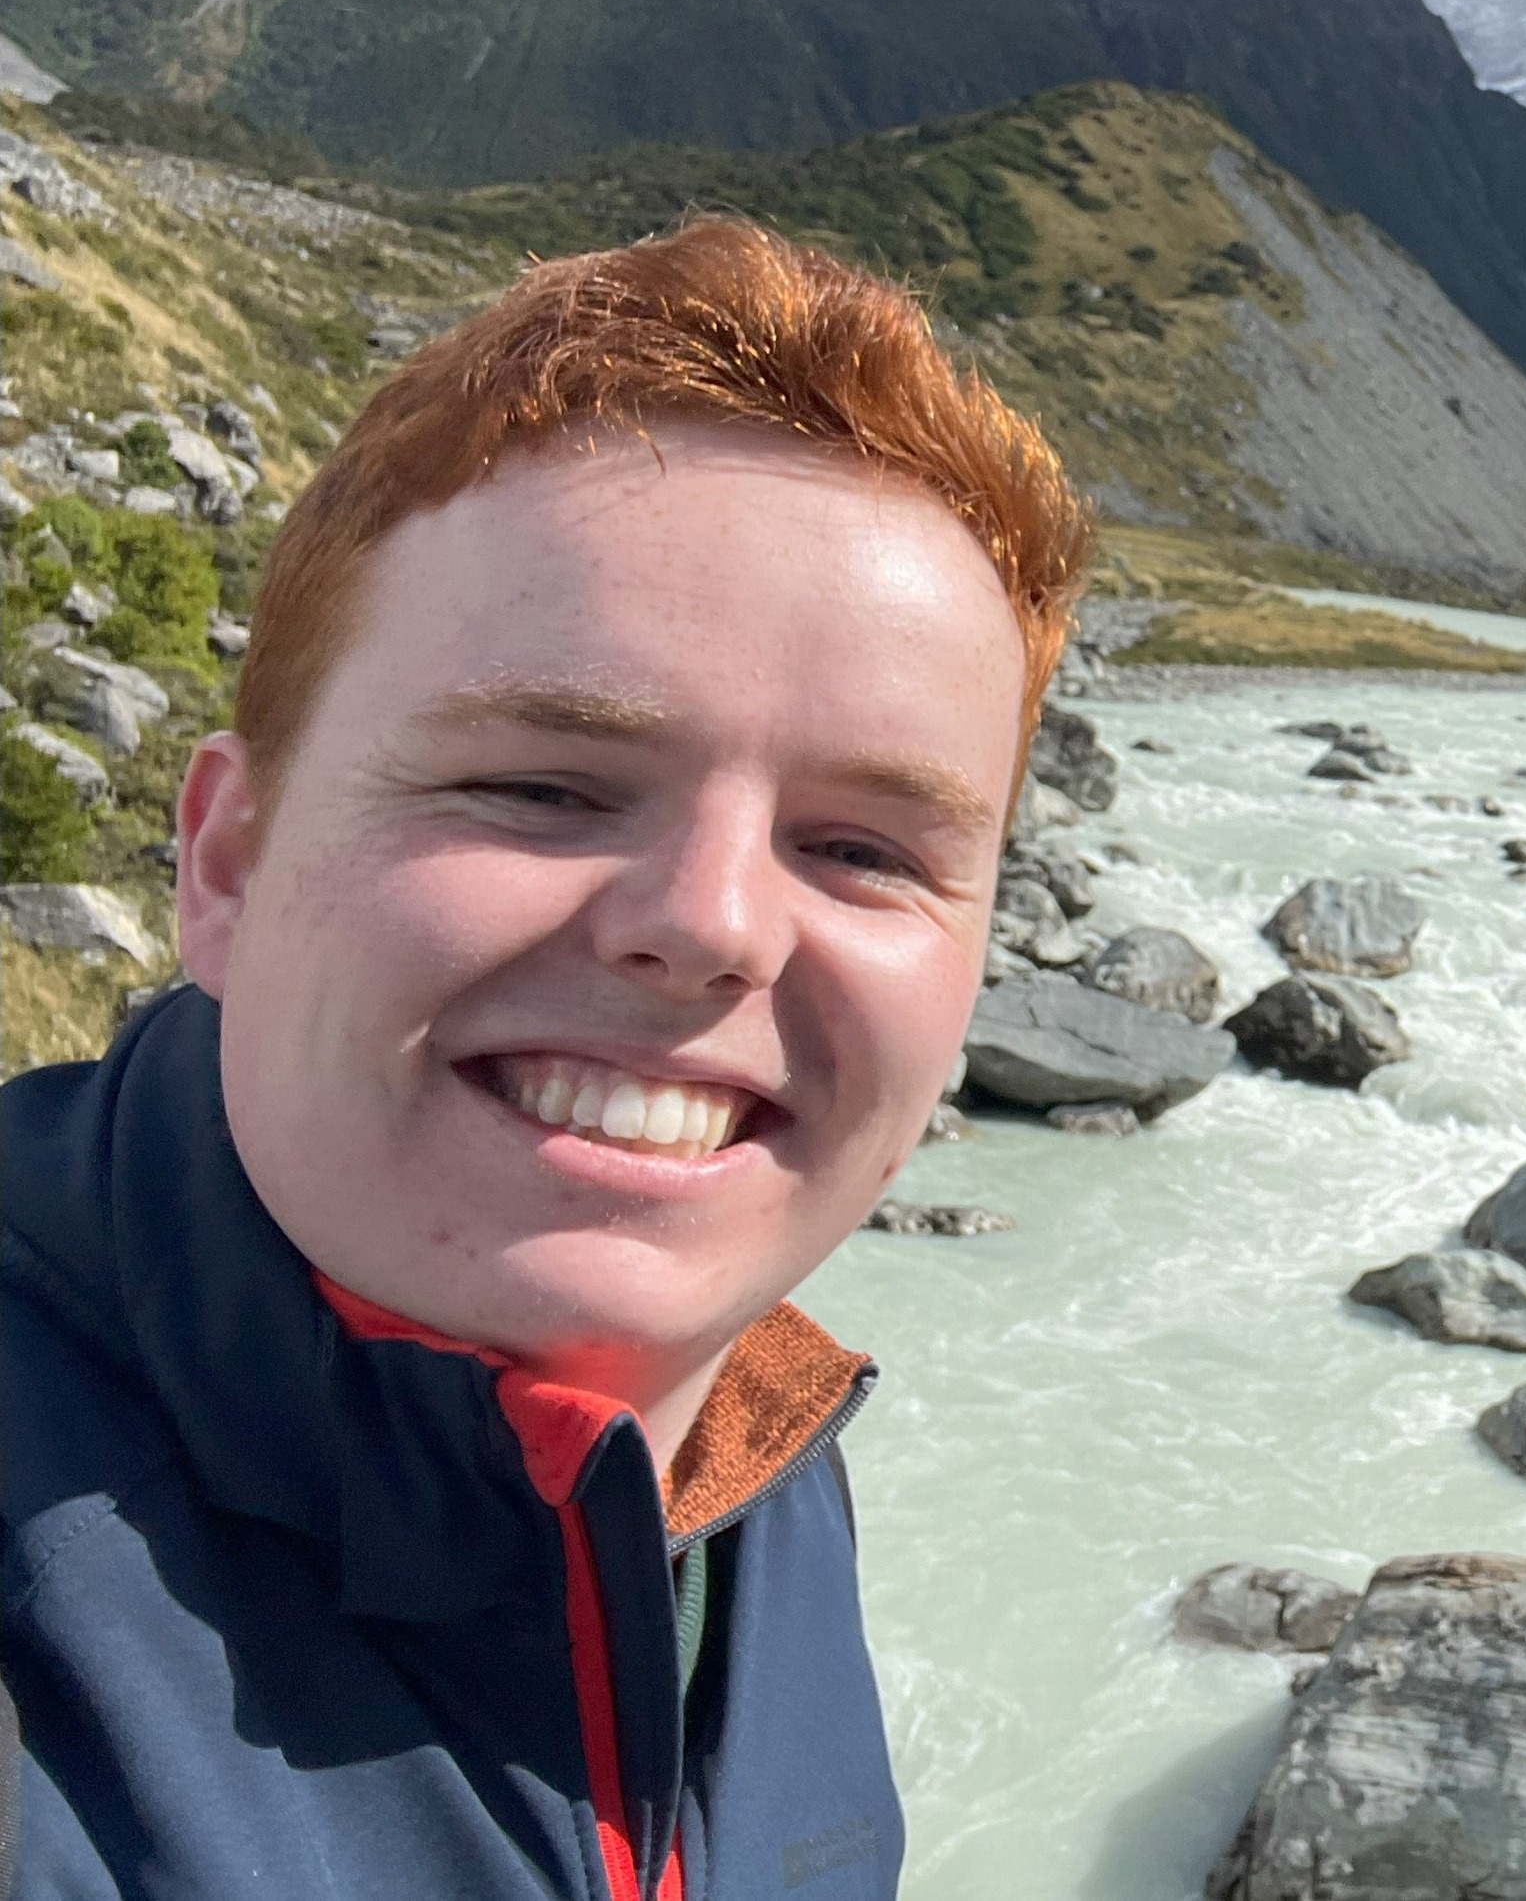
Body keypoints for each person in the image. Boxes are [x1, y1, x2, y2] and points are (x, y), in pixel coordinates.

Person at [3, 221, 1091, 1898]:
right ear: (224, 864)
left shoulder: (753, 1454)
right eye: (542, 787)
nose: (715, 924)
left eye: (866, 849)